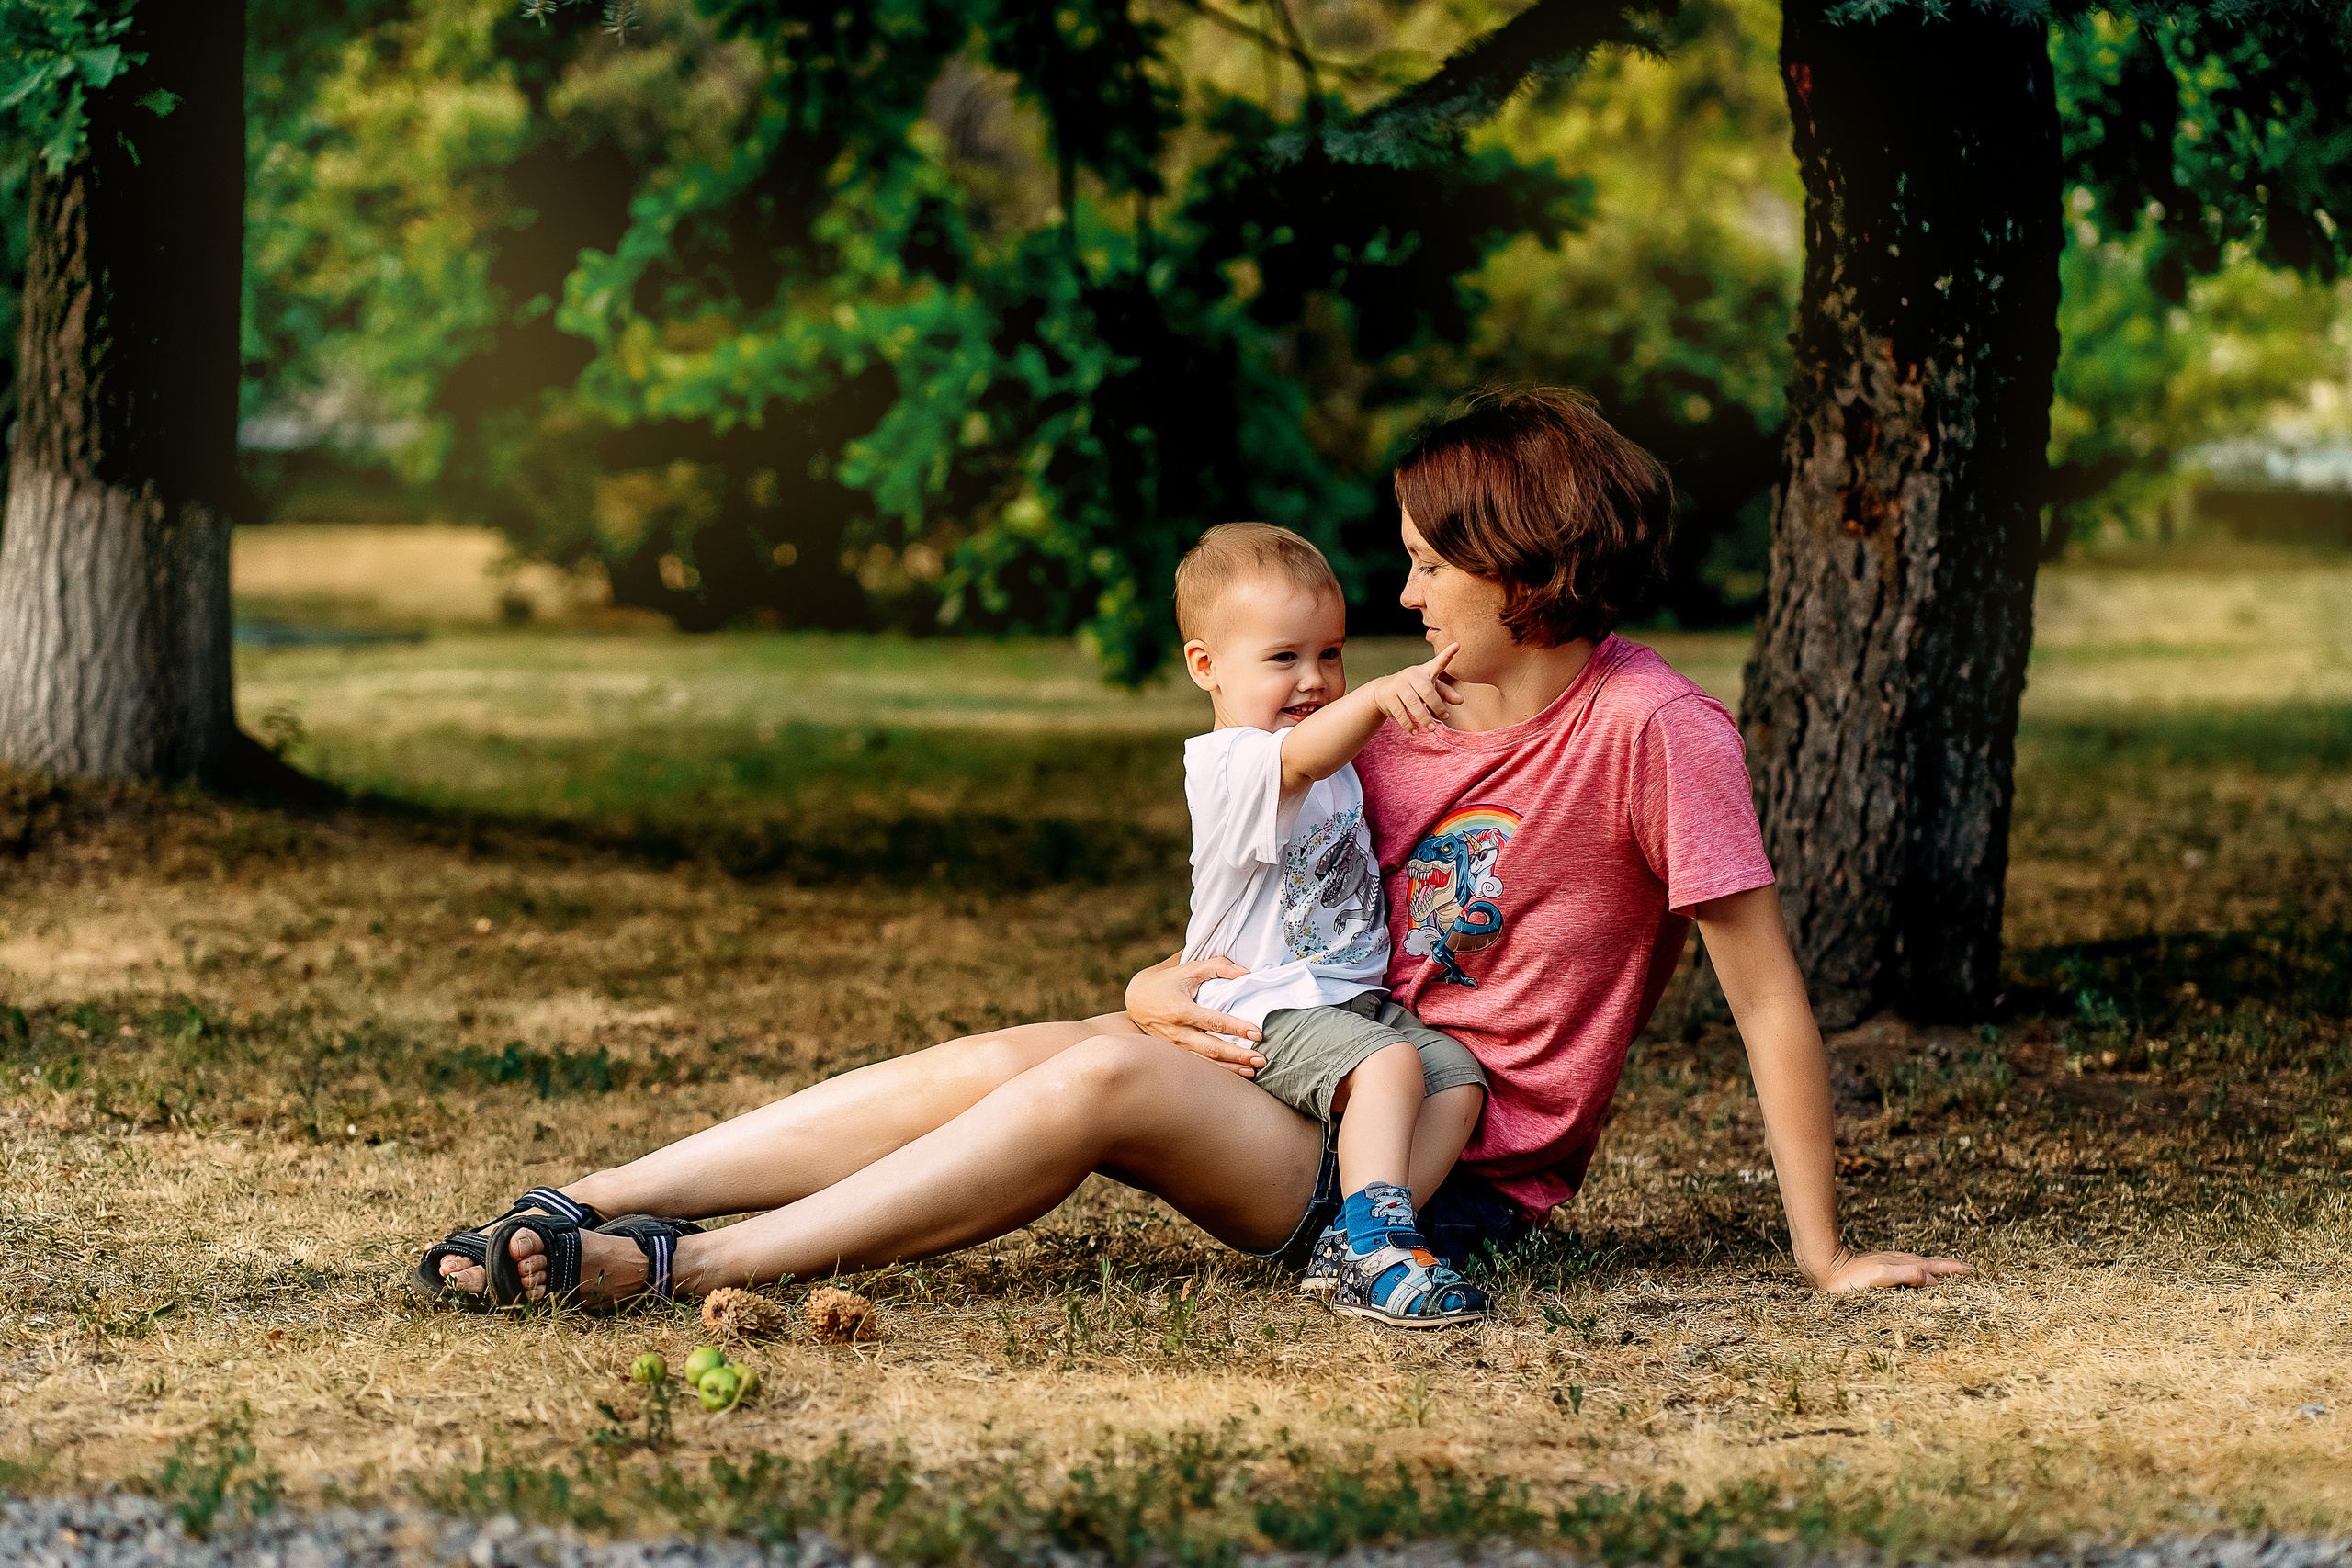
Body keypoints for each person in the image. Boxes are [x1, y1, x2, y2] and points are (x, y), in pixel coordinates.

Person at [416, 387, 1968, 1312]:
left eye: (1428, 565)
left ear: (1522, 565)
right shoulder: (1389, 714)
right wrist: (1154, 984)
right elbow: (1277, 892)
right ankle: (588, 1196)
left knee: (1092, 1085)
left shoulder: (1655, 731)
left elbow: (1768, 1001)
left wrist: (1823, 1256)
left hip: (1438, 1165)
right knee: (1035, 1048)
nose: (1405, 597)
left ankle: (681, 1268)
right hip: (1296, 1060)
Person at [1170, 521, 1493, 1328]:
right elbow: (1303, 756)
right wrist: (1376, 696)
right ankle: (1383, 1253)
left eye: (1331, 653)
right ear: (1206, 666)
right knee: (1388, 1064)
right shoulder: (1230, 762)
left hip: (1345, 1001)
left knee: (1455, 1076)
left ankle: (1352, 1239)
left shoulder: (1334, 761)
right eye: (1283, 657)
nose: (1313, 679)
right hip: (1264, 1002)